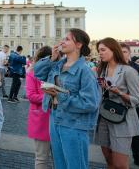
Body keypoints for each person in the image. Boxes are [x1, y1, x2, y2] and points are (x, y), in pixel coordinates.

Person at [34, 28, 100, 169]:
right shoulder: (57, 65)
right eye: (63, 39)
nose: (62, 41)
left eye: (67, 39)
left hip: (74, 125)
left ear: (79, 44)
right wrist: (52, 57)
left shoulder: (85, 71)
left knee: (75, 165)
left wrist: (58, 95)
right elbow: (38, 72)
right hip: (55, 120)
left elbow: (90, 103)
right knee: (60, 165)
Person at [95, 38, 139, 169]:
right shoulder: (101, 70)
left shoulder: (128, 71)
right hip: (104, 117)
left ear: (113, 50)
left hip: (122, 119)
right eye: (99, 50)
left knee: (120, 164)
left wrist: (119, 92)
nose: (100, 53)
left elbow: (137, 99)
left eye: (103, 50)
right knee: (109, 160)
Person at [120, 43, 139, 169]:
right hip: (118, 105)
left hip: (134, 105)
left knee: (136, 133)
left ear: (129, 53)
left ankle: (138, 158)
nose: (122, 54)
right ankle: (117, 158)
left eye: (125, 52)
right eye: (120, 51)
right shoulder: (113, 65)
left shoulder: (136, 67)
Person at [26, 46, 52, 169]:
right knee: (41, 157)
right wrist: (50, 97)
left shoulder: (56, 72)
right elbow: (31, 96)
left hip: (56, 119)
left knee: (58, 158)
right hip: (41, 119)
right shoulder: (33, 73)